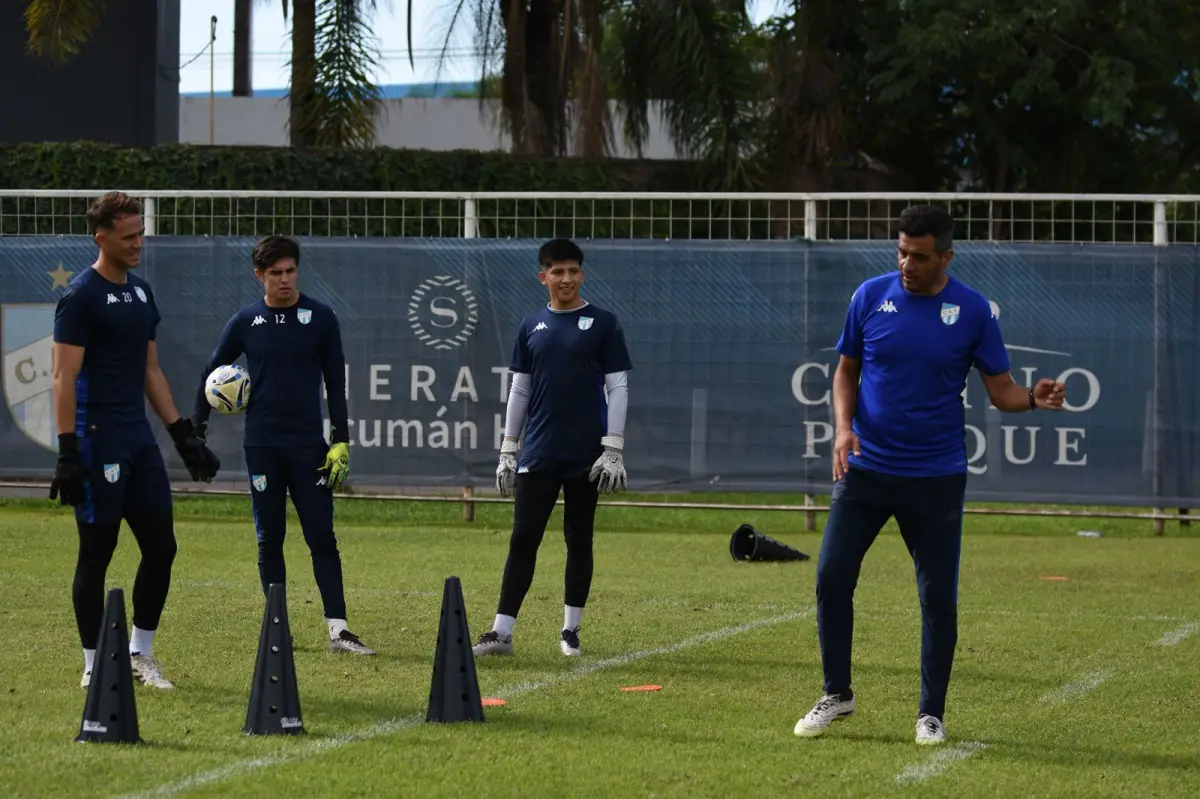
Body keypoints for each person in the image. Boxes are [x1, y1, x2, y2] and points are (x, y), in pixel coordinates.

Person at [793, 205, 1067, 745]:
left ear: (945, 257)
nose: (906, 264)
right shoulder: (869, 296)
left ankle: (930, 714)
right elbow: (845, 372)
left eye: (919, 256)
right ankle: (836, 694)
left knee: (937, 598)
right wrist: (843, 430)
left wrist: (1034, 399)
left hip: (936, 476)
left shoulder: (972, 310)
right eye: (901, 252)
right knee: (831, 578)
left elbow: (1002, 390)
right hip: (865, 470)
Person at [50, 191, 220, 691]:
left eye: (140, 234)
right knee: (96, 554)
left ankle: (139, 654)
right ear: (101, 239)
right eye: (128, 237)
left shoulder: (142, 294)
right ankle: (93, 664)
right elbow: (62, 377)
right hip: (96, 440)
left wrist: (182, 435)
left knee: (162, 547)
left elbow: (150, 371)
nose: (138, 243)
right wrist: (67, 452)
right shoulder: (80, 296)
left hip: (138, 441)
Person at [191, 234, 375, 656]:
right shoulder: (245, 321)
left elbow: (336, 383)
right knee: (269, 538)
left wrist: (341, 441)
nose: (286, 279)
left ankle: (339, 631)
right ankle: (278, 629)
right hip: (261, 446)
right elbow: (211, 373)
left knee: (321, 536)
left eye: (291, 271)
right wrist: (196, 431)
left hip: (309, 448)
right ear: (260, 275)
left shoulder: (321, 318)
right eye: (276, 273)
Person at [472, 238, 632, 659]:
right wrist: (509, 448)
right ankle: (501, 633)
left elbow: (618, 387)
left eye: (573, 271)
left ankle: (570, 631)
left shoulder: (604, 323)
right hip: (539, 451)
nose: (566, 278)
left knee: (579, 538)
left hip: (587, 454)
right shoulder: (531, 326)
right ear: (543, 277)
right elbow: (519, 390)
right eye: (557, 272)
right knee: (523, 538)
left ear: (582, 274)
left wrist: (613, 448)